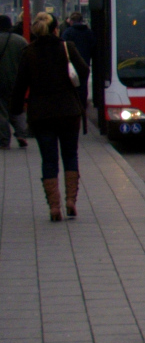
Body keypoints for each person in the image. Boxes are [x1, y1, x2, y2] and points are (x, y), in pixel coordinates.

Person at [9, 12, 90, 221]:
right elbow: (83, 70)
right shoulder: (67, 48)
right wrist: (77, 94)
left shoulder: (29, 53)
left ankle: (54, 207)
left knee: (49, 159)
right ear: (56, 29)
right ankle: (71, 200)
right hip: (68, 112)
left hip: (41, 114)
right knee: (70, 155)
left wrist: (15, 110)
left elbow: (20, 86)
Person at [0, 15, 30, 149]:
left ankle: (4, 139)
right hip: (17, 81)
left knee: (1, 111)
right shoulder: (20, 41)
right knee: (16, 108)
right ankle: (22, 133)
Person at [61, 10, 94, 112]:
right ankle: (82, 106)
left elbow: (63, 47)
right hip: (85, 63)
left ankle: (74, 105)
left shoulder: (68, 32)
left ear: (71, 21)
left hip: (71, 65)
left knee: (72, 86)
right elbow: (93, 47)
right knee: (83, 86)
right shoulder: (88, 32)